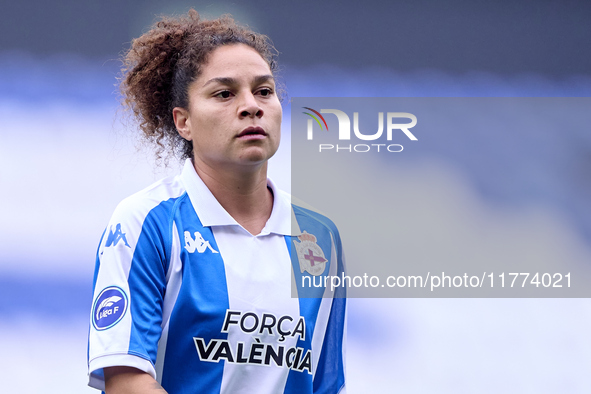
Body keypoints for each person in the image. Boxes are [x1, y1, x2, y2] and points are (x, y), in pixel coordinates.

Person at [87, 10, 346, 394]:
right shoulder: (148, 222)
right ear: (183, 122)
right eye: (224, 93)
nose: (251, 106)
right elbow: (126, 381)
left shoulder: (319, 237)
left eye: (264, 91)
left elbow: (324, 384)